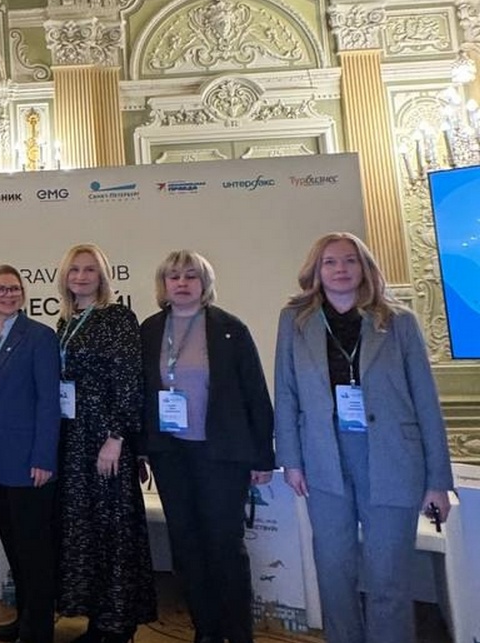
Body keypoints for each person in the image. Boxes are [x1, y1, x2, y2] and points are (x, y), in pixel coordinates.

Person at [274, 232, 453, 643]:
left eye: (350, 260)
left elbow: (426, 401)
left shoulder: (398, 320)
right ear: (317, 270)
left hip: (392, 458)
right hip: (323, 457)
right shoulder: (295, 320)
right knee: (333, 569)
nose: (340, 269)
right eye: (330, 262)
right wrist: (291, 460)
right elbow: (286, 393)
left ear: (365, 267)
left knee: (388, 572)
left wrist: (437, 481)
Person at [139, 251, 274, 643]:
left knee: (224, 545)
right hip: (171, 455)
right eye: (174, 276)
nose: (182, 283)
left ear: (205, 283)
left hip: (221, 455)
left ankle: (239, 633)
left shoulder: (230, 329)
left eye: (191, 276)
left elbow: (255, 393)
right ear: (163, 285)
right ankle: (207, 630)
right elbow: (140, 394)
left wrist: (263, 456)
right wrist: (140, 450)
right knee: (186, 545)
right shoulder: (150, 330)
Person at [54, 244, 156, 643]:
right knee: (86, 529)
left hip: (106, 437)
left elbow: (130, 381)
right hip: (73, 438)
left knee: (114, 528)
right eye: (74, 270)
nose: (81, 276)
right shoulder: (65, 321)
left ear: (102, 276)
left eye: (89, 270)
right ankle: (98, 619)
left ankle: (118, 622)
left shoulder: (117, 317)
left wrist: (116, 438)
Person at [0, 265, 61, 643]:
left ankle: (39, 628)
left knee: (34, 551)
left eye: (13, 289)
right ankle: (23, 617)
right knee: (13, 546)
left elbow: (49, 402)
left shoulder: (39, 336)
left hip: (29, 461)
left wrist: (44, 457)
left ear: (23, 294)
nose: (7, 295)